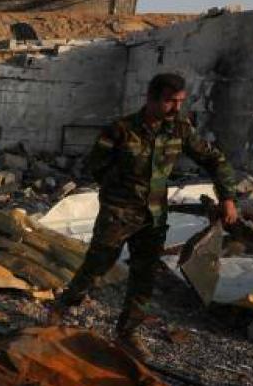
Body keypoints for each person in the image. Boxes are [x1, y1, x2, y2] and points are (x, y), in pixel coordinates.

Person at [48, 72, 238, 359]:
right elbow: (95, 166)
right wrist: (121, 191)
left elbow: (214, 159)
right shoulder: (121, 130)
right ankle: (62, 308)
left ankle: (127, 333)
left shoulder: (180, 129)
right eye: (170, 102)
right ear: (151, 98)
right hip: (119, 212)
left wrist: (227, 197)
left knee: (144, 276)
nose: (176, 108)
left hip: (155, 216)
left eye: (180, 102)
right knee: (96, 267)